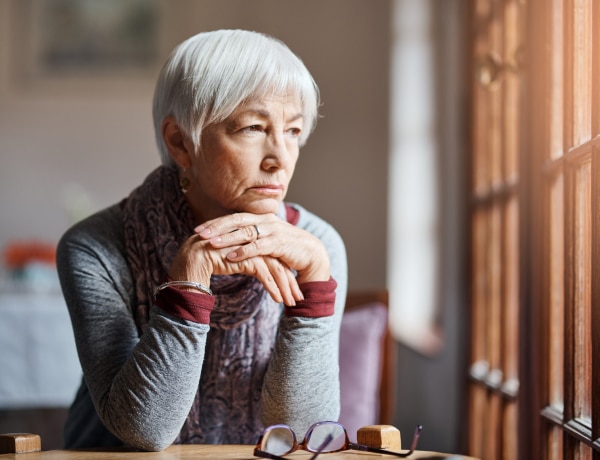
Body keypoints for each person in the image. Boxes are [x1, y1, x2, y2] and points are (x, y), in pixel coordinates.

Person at [56, 29, 347, 452]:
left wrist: (316, 284)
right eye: (252, 127)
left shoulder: (316, 246)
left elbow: (303, 432)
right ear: (180, 142)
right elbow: (144, 430)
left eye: (293, 131)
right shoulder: (95, 248)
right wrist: (189, 280)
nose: (281, 158)